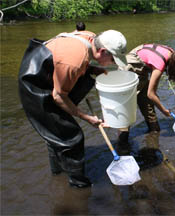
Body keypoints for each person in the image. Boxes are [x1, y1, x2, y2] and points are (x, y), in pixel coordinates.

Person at [18, 29, 127, 188]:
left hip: (50, 72)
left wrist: (91, 69)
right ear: (102, 50)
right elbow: (58, 96)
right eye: (112, 59)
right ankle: (79, 185)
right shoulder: (74, 61)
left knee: (58, 131)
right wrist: (86, 117)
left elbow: (64, 61)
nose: (113, 63)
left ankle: (58, 173)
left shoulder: (91, 38)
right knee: (72, 137)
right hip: (34, 85)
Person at [118, 44, 175, 152]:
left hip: (142, 72)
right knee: (127, 111)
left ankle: (154, 135)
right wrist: (164, 110)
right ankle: (122, 147)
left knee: (148, 105)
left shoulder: (172, 54)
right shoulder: (160, 63)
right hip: (128, 70)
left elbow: (150, 95)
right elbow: (151, 94)